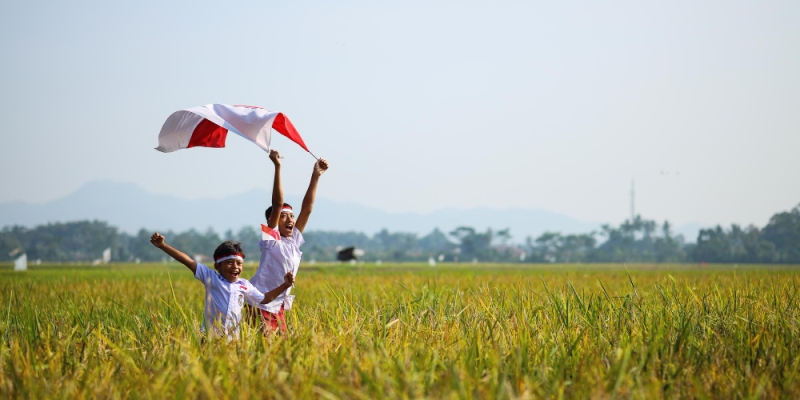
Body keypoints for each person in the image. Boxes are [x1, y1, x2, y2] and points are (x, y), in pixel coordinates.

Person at [149, 233, 294, 338]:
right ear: (217, 266)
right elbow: (188, 261)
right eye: (229, 262)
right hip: (211, 338)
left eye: (239, 263)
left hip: (234, 340)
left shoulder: (244, 285)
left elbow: (265, 299)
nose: (235, 267)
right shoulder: (211, 277)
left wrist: (285, 285)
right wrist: (163, 246)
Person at [247, 149, 329, 333]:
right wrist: (277, 167)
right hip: (261, 303)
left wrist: (316, 176)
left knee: (280, 350)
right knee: (265, 348)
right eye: (283, 217)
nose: (290, 220)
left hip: (278, 304)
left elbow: (307, 209)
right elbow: (277, 204)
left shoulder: (294, 242)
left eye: (292, 216)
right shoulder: (271, 241)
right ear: (272, 222)